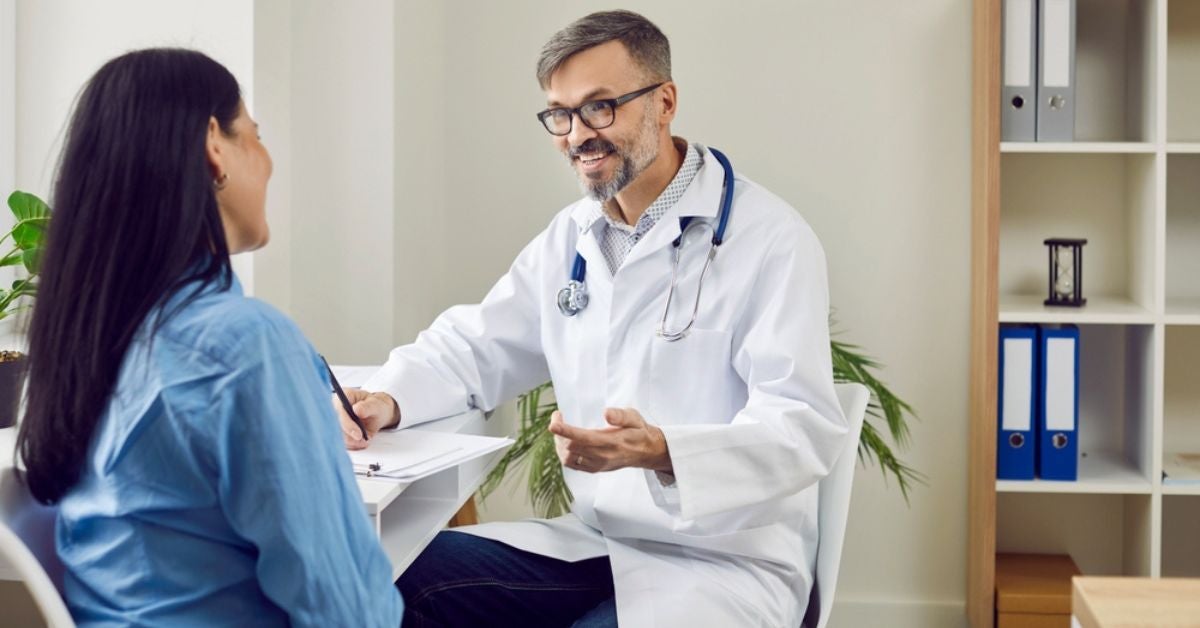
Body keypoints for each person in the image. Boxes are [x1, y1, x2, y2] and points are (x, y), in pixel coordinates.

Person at [336, 10, 848, 627]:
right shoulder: (572, 239)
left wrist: (663, 450)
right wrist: (385, 399)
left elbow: (802, 426)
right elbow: (476, 346)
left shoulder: (770, 240)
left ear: (665, 101)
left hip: (722, 563)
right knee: (381, 575)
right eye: (561, 113)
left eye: (601, 107)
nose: (579, 134)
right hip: (597, 543)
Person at [15, 48, 402, 627]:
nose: (268, 162)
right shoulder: (244, 344)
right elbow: (347, 611)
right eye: (255, 134)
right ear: (213, 148)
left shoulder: (81, 341)